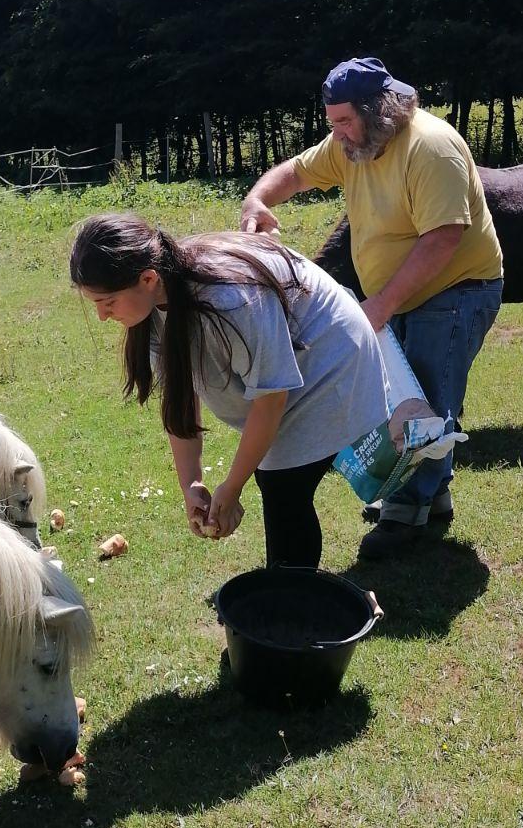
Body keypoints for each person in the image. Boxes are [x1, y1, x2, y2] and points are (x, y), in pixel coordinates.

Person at [240, 56, 504, 560]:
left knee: (426, 395)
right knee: (404, 396)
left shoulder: (431, 147)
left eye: (343, 121)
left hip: (456, 289)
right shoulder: (352, 145)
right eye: (332, 122)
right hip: (404, 293)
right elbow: (295, 173)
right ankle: (432, 495)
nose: (336, 133)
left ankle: (405, 512)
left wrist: (380, 304)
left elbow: (444, 238)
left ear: (379, 110)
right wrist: (257, 199)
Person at [69, 212, 389, 570]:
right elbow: (181, 395)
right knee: (278, 480)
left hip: (334, 361)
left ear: (147, 278)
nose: (101, 316)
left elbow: (271, 398)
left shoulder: (231, 298)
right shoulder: (152, 308)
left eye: (107, 302)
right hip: (290, 372)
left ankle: (294, 601)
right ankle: (288, 593)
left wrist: (232, 486)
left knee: (283, 485)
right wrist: (191, 482)